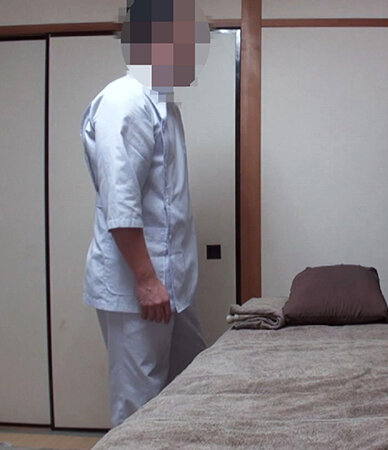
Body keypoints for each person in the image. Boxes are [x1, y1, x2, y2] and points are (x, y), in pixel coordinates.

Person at [80, 0, 210, 427]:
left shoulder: (164, 105)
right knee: (139, 403)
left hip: (172, 285)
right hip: (139, 286)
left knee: (189, 383)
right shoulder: (125, 101)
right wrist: (147, 280)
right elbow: (121, 202)